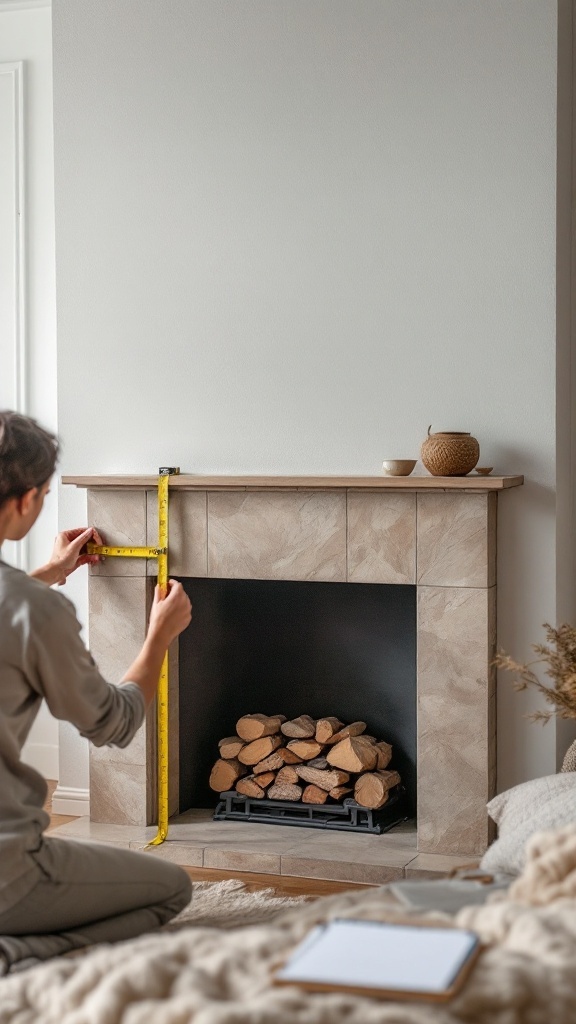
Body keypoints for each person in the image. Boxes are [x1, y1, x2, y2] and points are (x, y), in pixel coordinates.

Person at [0, 410, 193, 975]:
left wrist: (47, 575)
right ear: (28, 499)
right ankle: (15, 952)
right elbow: (114, 723)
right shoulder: (31, 611)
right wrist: (158, 636)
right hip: (6, 871)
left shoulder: (28, 604)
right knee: (171, 888)